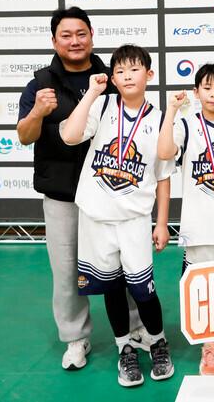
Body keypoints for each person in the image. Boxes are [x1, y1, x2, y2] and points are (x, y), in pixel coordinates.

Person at [16, 7, 149, 370]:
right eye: (66, 35)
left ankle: (137, 327)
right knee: (65, 272)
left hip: (113, 193)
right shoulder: (40, 83)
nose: (74, 41)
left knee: (127, 265)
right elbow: (25, 136)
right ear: (54, 41)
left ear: (91, 35)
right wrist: (37, 112)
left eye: (81, 33)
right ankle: (76, 338)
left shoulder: (114, 77)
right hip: (63, 194)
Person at [60, 44, 175, 388]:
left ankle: (158, 342)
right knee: (111, 288)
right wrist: (91, 93)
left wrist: (162, 222)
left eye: (134, 69)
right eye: (120, 71)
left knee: (144, 290)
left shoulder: (160, 119)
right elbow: (69, 136)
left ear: (149, 74)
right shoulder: (102, 104)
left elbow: (164, 176)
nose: (127, 76)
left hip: (134, 219)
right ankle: (124, 347)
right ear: (112, 78)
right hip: (96, 217)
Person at [157, 63, 214, 376]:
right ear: (196, 92)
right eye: (207, 88)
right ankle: (210, 346)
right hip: (198, 226)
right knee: (204, 290)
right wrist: (171, 111)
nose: (213, 94)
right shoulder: (185, 125)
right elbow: (165, 152)